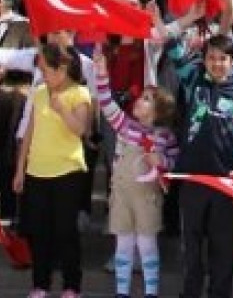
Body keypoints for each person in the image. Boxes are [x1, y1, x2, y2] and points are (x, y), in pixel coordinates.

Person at [174, 35, 233, 298]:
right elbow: (174, 52)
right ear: (204, 59)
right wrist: (184, 24)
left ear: (232, 62)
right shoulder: (194, 83)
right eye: (211, 57)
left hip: (224, 184)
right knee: (191, 248)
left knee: (222, 248)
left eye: (223, 58)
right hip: (193, 179)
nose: (216, 63)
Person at [92, 48, 176, 298]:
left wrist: (160, 160)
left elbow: (172, 162)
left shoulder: (165, 137)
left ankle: (151, 291)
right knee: (123, 242)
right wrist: (101, 74)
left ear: (159, 111)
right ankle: (122, 291)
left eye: (147, 99)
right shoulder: (124, 125)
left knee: (147, 243)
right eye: (141, 97)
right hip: (121, 196)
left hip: (147, 198)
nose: (139, 100)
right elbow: (107, 104)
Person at [14, 44, 92, 298]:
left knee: (65, 231)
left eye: (46, 70)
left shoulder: (80, 93)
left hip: (67, 170)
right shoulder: (38, 93)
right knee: (39, 231)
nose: (42, 75)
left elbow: (81, 130)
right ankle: (40, 284)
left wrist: (62, 110)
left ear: (62, 69)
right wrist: (19, 170)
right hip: (37, 171)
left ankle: (72, 286)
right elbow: (29, 133)